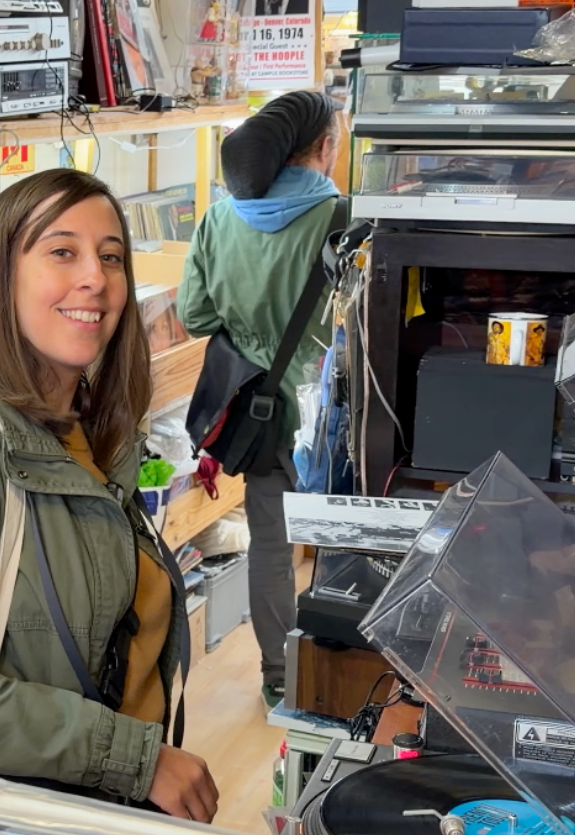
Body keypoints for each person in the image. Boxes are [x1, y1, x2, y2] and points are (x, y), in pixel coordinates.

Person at [0, 169, 220, 822]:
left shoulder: (89, 432)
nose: (95, 278)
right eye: (62, 251)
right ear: (0, 277)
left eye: (111, 256)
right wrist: (135, 759)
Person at [178, 90, 344, 707]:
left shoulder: (219, 219)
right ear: (324, 147)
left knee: (270, 546)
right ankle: (340, 672)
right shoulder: (345, 217)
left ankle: (280, 675)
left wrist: (252, 329)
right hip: (333, 420)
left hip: (261, 413)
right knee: (343, 546)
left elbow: (196, 315)